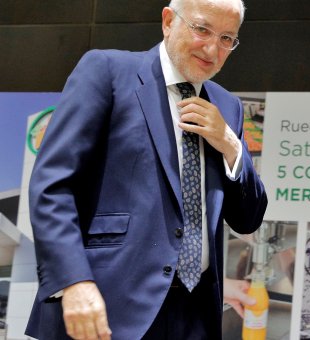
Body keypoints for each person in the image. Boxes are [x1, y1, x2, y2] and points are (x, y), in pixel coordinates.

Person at [25, 0, 267, 338]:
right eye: (202, 29)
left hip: (195, 315)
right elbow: (52, 186)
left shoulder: (227, 106)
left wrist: (230, 145)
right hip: (107, 305)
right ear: (168, 21)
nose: (213, 48)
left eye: (227, 39)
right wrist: (73, 281)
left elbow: (248, 218)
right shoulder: (107, 71)